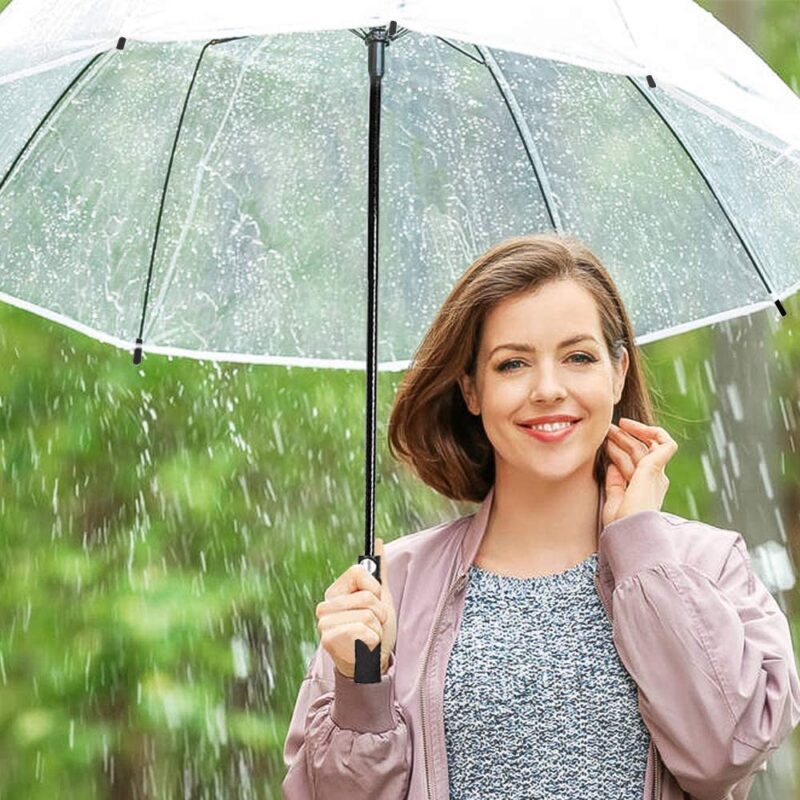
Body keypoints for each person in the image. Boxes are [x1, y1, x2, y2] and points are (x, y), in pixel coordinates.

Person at [281, 233, 800, 799]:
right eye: (512, 364)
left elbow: (725, 754)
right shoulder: (395, 583)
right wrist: (363, 683)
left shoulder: (707, 565)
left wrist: (642, 554)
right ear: (471, 389)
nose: (548, 389)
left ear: (618, 372)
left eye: (578, 357)